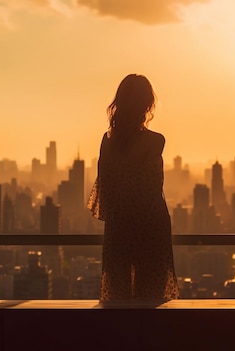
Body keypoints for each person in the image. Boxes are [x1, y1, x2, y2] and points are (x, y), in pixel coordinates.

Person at [88, 74, 179, 302]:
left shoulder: (107, 142)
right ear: (147, 105)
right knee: (151, 297)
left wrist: (119, 216)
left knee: (118, 297)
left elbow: (103, 191)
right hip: (150, 224)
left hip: (119, 224)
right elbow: (153, 189)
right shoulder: (155, 141)